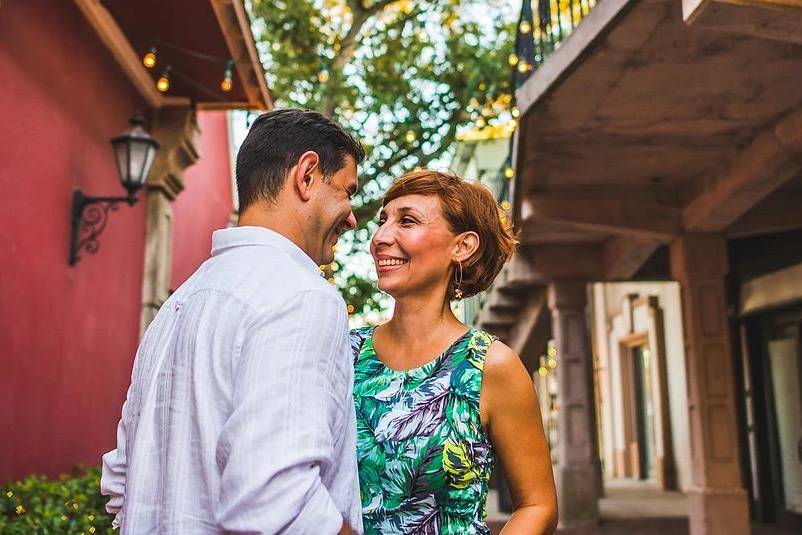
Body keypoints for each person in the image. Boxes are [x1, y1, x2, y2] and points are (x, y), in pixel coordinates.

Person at [100, 108, 365, 534]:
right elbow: (278, 497)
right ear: (308, 174)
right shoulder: (302, 295)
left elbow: (121, 481)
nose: (352, 216)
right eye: (347, 192)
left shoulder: (179, 302)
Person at [350, 170, 558, 534]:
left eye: (408, 221)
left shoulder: (489, 365)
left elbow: (538, 505)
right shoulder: (345, 353)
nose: (381, 237)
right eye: (383, 221)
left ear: (462, 246)